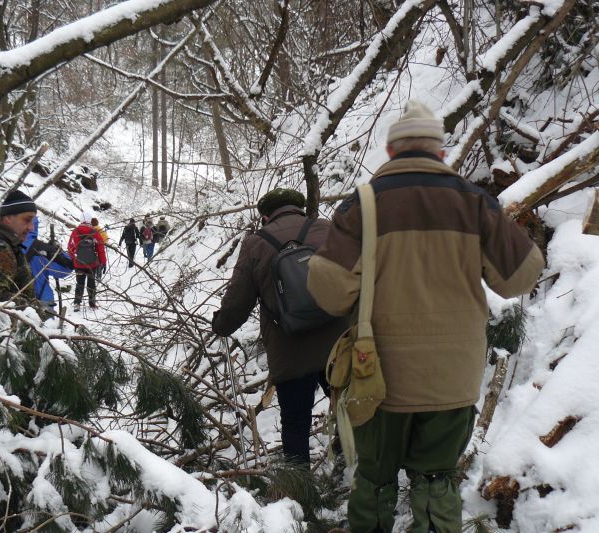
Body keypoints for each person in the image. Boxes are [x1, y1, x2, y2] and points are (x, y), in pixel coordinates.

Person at [307, 100, 545, 532]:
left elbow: (326, 288)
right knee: (437, 483)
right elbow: (522, 276)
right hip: (451, 380)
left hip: (377, 379)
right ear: (440, 152)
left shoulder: (363, 204)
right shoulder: (474, 204)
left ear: (392, 151)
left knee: (375, 481)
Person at [211, 188, 347, 465]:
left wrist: (222, 325)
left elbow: (239, 298)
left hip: (290, 348)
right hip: (339, 341)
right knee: (350, 409)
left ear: (264, 216)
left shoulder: (255, 244)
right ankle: (352, 467)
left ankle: (299, 492)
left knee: (295, 422)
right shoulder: (328, 229)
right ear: (300, 208)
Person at [21, 216, 73, 309]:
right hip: (42, 300)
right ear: (35, 226)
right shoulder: (42, 248)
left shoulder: (6, 245)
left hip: (15, 302)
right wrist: (57, 251)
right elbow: (66, 268)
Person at [67, 210, 107, 310]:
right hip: (92, 264)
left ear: (81, 219)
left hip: (79, 264)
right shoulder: (94, 232)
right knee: (91, 283)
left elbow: (70, 248)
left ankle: (77, 303)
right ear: (90, 220)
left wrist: (74, 260)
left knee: (79, 283)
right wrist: (103, 262)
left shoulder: (75, 232)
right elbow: (100, 248)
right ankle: (92, 304)